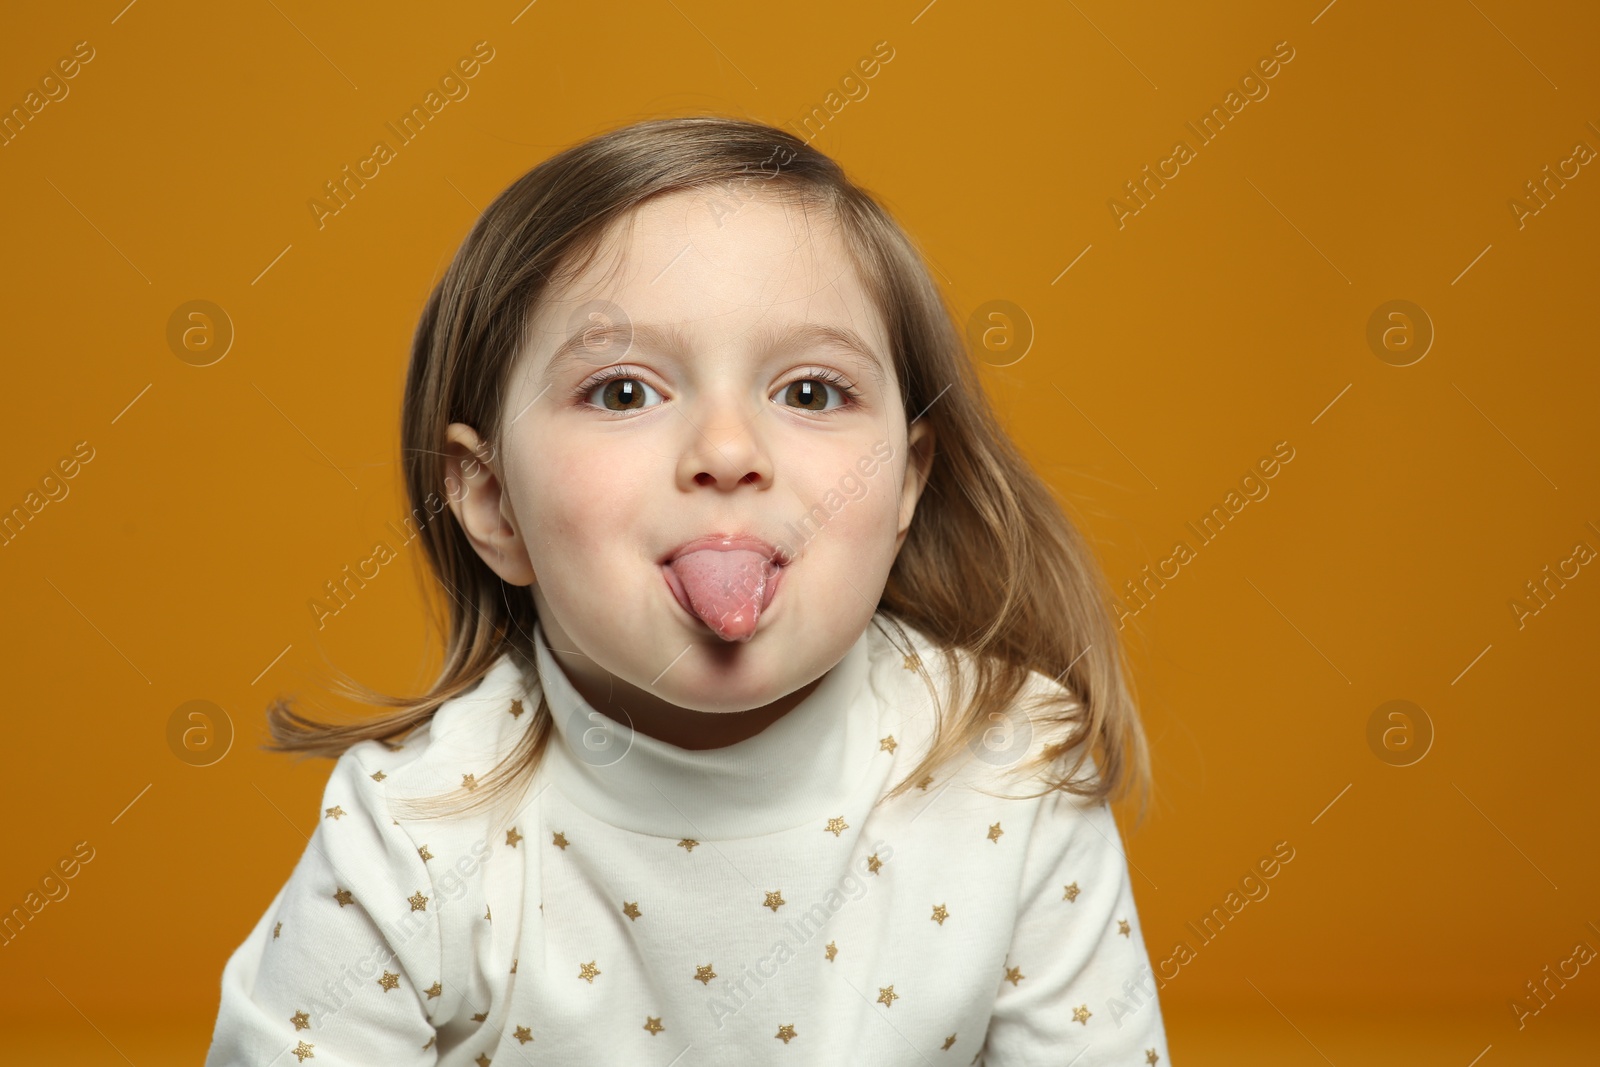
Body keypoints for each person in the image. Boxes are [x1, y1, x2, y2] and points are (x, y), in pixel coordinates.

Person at [204, 115, 1171, 1066]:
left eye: (810, 392)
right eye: (623, 391)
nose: (726, 452)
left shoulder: (1010, 769)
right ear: (495, 501)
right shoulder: (415, 832)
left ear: (907, 482)